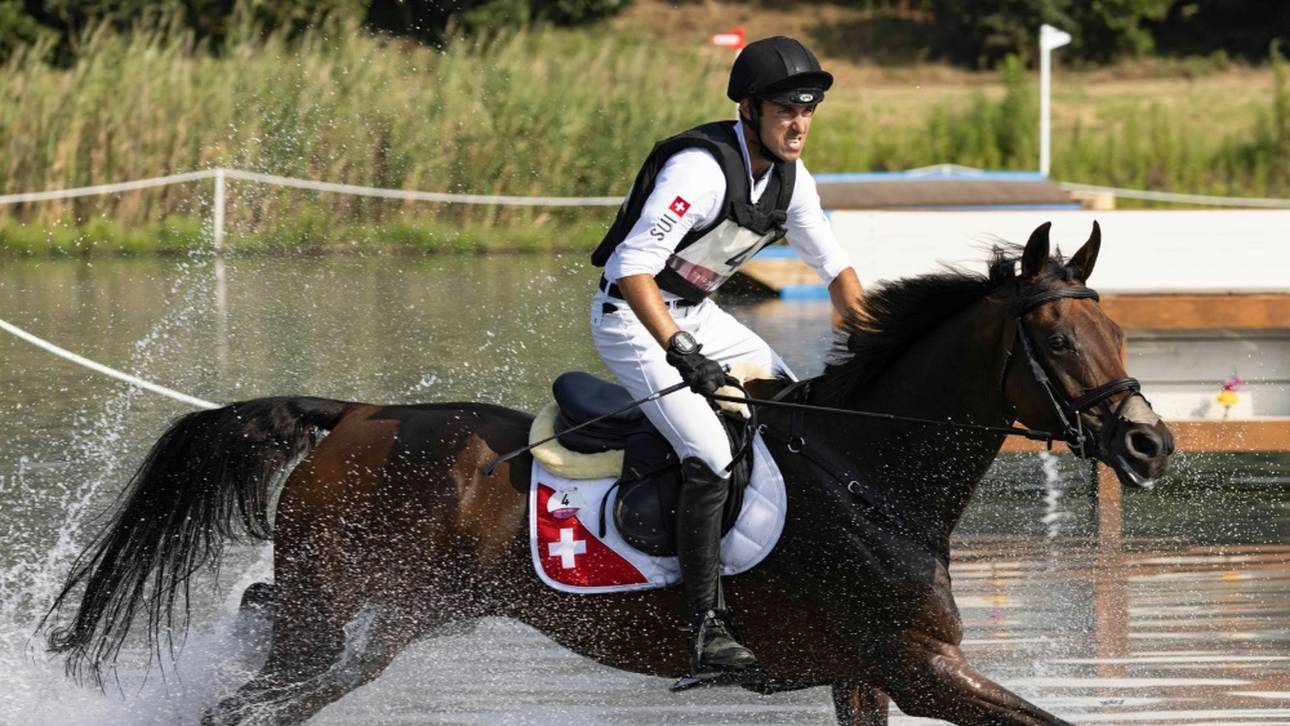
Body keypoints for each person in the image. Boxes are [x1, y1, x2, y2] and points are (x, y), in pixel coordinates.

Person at [588, 36, 867, 681]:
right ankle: (705, 631)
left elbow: (836, 268)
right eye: (785, 111)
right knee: (711, 456)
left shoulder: (793, 180)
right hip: (634, 318)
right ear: (750, 111)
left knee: (798, 419)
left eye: (808, 112)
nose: (799, 125)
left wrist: (871, 346)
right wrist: (682, 353)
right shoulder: (701, 170)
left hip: (699, 313)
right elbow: (632, 268)